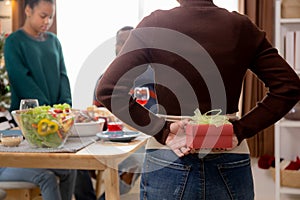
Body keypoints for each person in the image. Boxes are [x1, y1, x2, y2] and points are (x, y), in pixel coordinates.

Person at [96, 0, 300, 199]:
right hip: (230, 156)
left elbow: (108, 89)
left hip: (169, 156)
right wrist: (239, 129)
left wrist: (163, 130)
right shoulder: (240, 26)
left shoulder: (155, 23)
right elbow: (289, 86)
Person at [2, 0, 76, 200]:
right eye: (43, 16)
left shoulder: (54, 41)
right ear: (28, 10)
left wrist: (65, 108)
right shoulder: (14, 42)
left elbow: (63, 75)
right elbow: (21, 80)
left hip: (56, 122)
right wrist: (50, 113)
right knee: (60, 170)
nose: (48, 21)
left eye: (51, 16)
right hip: (30, 124)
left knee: (72, 168)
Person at [74, 26, 156, 200]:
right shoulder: (105, 79)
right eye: (120, 42)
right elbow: (97, 113)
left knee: (134, 163)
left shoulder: (152, 78)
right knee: (76, 159)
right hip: (108, 139)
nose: (123, 46)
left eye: (128, 42)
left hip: (142, 142)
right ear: (115, 47)